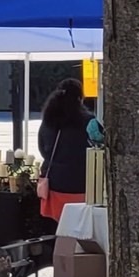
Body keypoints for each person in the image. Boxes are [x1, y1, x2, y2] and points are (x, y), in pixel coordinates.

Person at [37, 78, 99, 222]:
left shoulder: (48, 120)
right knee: (79, 227)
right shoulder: (89, 121)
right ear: (80, 98)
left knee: (59, 226)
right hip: (82, 184)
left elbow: (43, 149)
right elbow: (100, 145)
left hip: (54, 183)